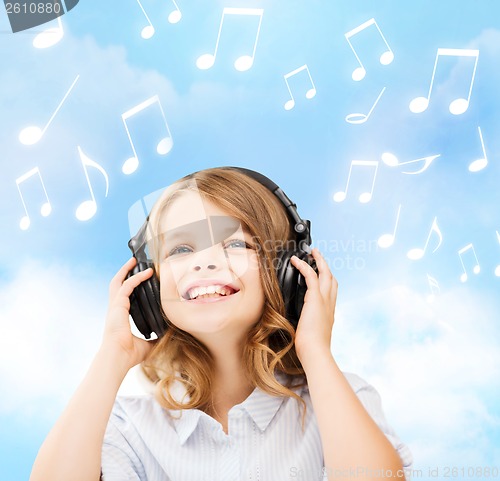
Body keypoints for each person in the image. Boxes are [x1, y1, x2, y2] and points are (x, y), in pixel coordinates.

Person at [29, 167, 412, 481]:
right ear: (150, 285)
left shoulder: (340, 400)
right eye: (180, 249)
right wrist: (112, 357)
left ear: (287, 274)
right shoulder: (129, 426)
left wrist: (315, 350)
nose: (205, 262)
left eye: (237, 244)